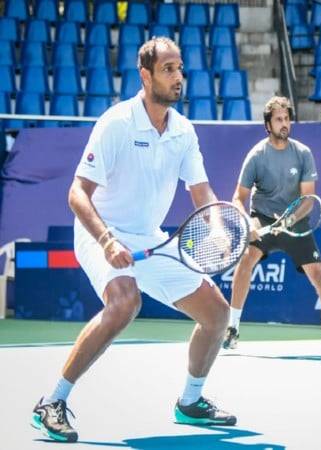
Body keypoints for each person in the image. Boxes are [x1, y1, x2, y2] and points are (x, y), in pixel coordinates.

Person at [31, 37, 236, 443]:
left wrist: (215, 224)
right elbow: (76, 193)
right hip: (99, 232)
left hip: (150, 240)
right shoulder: (116, 123)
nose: (178, 77)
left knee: (216, 314)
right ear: (145, 75)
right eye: (168, 70)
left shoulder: (183, 131)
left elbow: (202, 193)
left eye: (180, 69)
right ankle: (51, 403)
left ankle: (190, 402)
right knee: (126, 302)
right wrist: (107, 240)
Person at [222, 96, 321, 355]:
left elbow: (307, 200)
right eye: (279, 120)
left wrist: (289, 220)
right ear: (268, 124)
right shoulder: (257, 156)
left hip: (294, 221)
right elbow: (238, 197)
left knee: (319, 274)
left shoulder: (303, 153)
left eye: (287, 119)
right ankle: (233, 329)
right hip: (262, 217)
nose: (284, 124)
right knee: (246, 261)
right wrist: (249, 222)